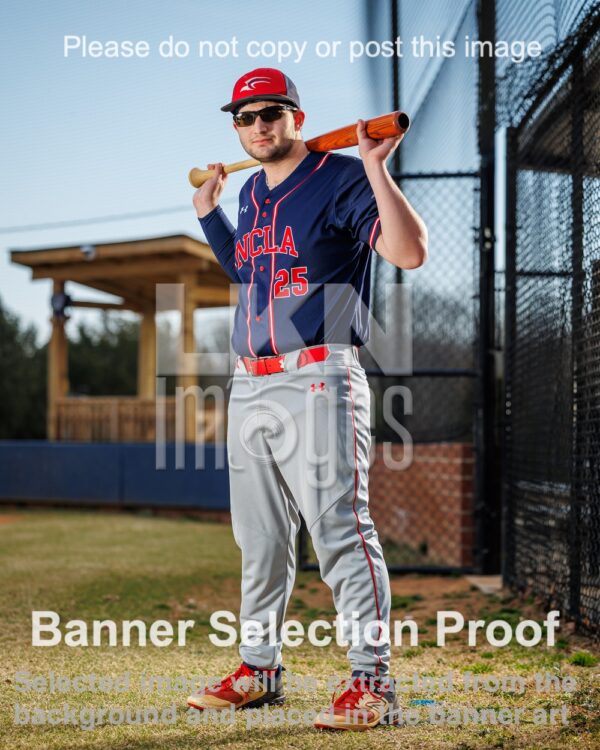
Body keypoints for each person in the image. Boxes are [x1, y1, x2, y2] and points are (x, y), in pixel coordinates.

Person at [187, 67, 428, 731]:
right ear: (235, 126)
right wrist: (210, 213)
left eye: (271, 112)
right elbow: (248, 271)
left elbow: (409, 253)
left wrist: (375, 167)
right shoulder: (254, 198)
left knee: (339, 532)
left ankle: (372, 683)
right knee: (259, 539)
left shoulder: (340, 177)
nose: (258, 125)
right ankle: (259, 669)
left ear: (295, 115)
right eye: (245, 115)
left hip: (318, 375)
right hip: (250, 380)